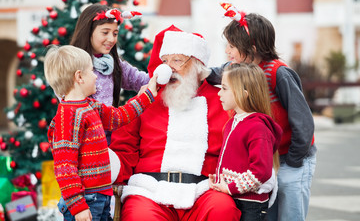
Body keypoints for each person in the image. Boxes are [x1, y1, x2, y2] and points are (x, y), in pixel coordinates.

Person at [109, 25, 242, 220]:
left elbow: (239, 147)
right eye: (164, 61)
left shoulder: (223, 100)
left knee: (223, 209)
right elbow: (123, 150)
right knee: (140, 216)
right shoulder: (144, 101)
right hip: (150, 191)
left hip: (204, 190)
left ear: (198, 64)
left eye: (177, 60)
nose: (167, 68)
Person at [206, 3, 317, 221]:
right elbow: (214, 74)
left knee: (290, 213)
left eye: (232, 46)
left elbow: (303, 122)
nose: (227, 51)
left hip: (294, 157)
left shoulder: (279, 73)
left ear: (252, 48)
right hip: (271, 158)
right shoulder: (240, 71)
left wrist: (293, 161)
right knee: (270, 212)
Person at [44, 45, 158, 221]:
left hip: (101, 196)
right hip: (85, 201)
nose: (96, 76)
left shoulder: (91, 106)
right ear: (79, 77)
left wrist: (147, 95)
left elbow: (120, 116)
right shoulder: (67, 116)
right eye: (91, 71)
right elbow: (65, 167)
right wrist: (78, 206)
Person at [208, 63, 282, 221]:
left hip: (250, 205)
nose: (219, 93)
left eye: (224, 88)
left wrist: (229, 188)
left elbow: (260, 172)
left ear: (244, 93)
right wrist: (220, 180)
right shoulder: (233, 122)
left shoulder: (257, 128)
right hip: (234, 198)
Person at [70, 3, 150, 107]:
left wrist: (166, 73)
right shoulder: (70, 65)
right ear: (88, 32)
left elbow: (141, 80)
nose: (112, 39)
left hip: (111, 123)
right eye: (105, 32)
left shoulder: (114, 64)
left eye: (115, 34)